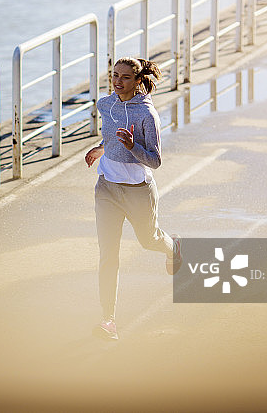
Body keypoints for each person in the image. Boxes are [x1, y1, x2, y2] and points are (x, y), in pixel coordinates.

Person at [84, 57, 182, 340]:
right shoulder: (106, 104)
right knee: (108, 255)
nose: (118, 81)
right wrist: (101, 148)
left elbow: (155, 160)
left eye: (125, 77)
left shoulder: (147, 115)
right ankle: (108, 321)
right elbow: (110, 135)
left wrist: (133, 145)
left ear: (138, 81)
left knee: (148, 240)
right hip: (106, 189)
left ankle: (173, 246)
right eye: (114, 75)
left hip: (138, 190)